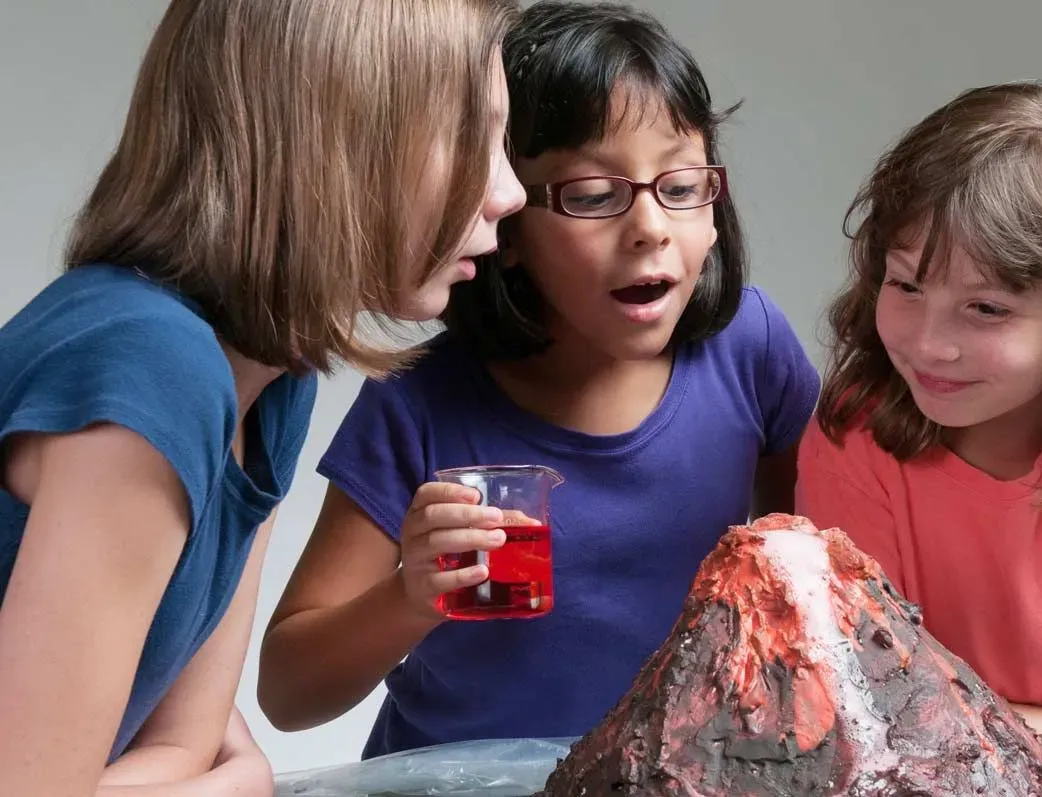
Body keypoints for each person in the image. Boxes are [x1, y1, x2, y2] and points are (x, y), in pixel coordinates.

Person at [258, 0, 819, 758]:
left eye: (681, 186)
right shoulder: (420, 401)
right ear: (506, 223)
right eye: (592, 195)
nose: (651, 226)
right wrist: (410, 594)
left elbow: (818, 575)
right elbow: (287, 692)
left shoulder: (750, 348)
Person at [0, 0, 524, 793]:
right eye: (470, 134)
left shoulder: (276, 374)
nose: (511, 189)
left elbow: (186, 739)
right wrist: (237, 783)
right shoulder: (154, 365)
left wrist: (221, 774)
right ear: (338, 141)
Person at [796, 80, 1042, 751]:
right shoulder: (857, 436)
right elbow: (883, 718)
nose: (928, 343)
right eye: (905, 284)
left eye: (986, 308)